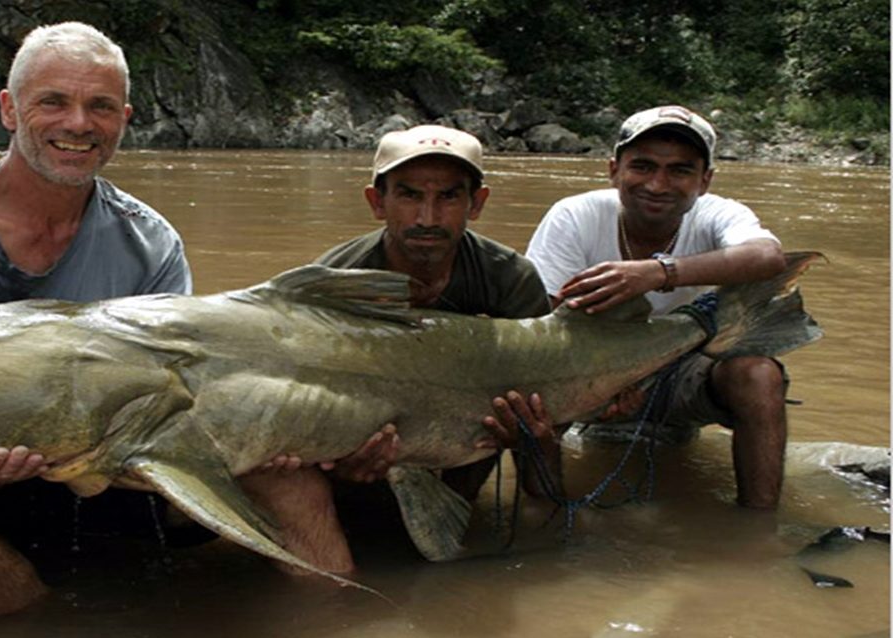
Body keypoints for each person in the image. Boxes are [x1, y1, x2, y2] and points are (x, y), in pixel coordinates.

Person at [0, 22, 332, 617]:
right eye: (54, 101)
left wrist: (269, 435)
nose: (78, 124)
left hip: (106, 460)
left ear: (122, 118)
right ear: (10, 110)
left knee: (289, 481)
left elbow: (176, 396)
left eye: (99, 106)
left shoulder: (149, 243)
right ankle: (39, 624)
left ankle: (354, 616)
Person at [270, 125, 561, 557]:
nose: (427, 218)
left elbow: (549, 408)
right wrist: (339, 462)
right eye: (409, 196)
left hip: (464, 441)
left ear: (476, 204)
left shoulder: (508, 281)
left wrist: (536, 439)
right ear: (377, 202)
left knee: (536, 453)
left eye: (448, 197)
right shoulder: (334, 280)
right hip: (362, 443)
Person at [524, 105, 788, 509]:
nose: (658, 184)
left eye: (680, 171)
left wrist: (660, 272)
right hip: (586, 363)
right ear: (614, 170)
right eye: (642, 166)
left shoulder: (718, 214)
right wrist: (607, 382)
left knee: (758, 375)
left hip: (680, 367)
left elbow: (768, 257)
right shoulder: (574, 215)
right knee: (531, 391)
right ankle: (542, 520)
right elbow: (541, 324)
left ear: (705, 180)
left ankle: (759, 525)